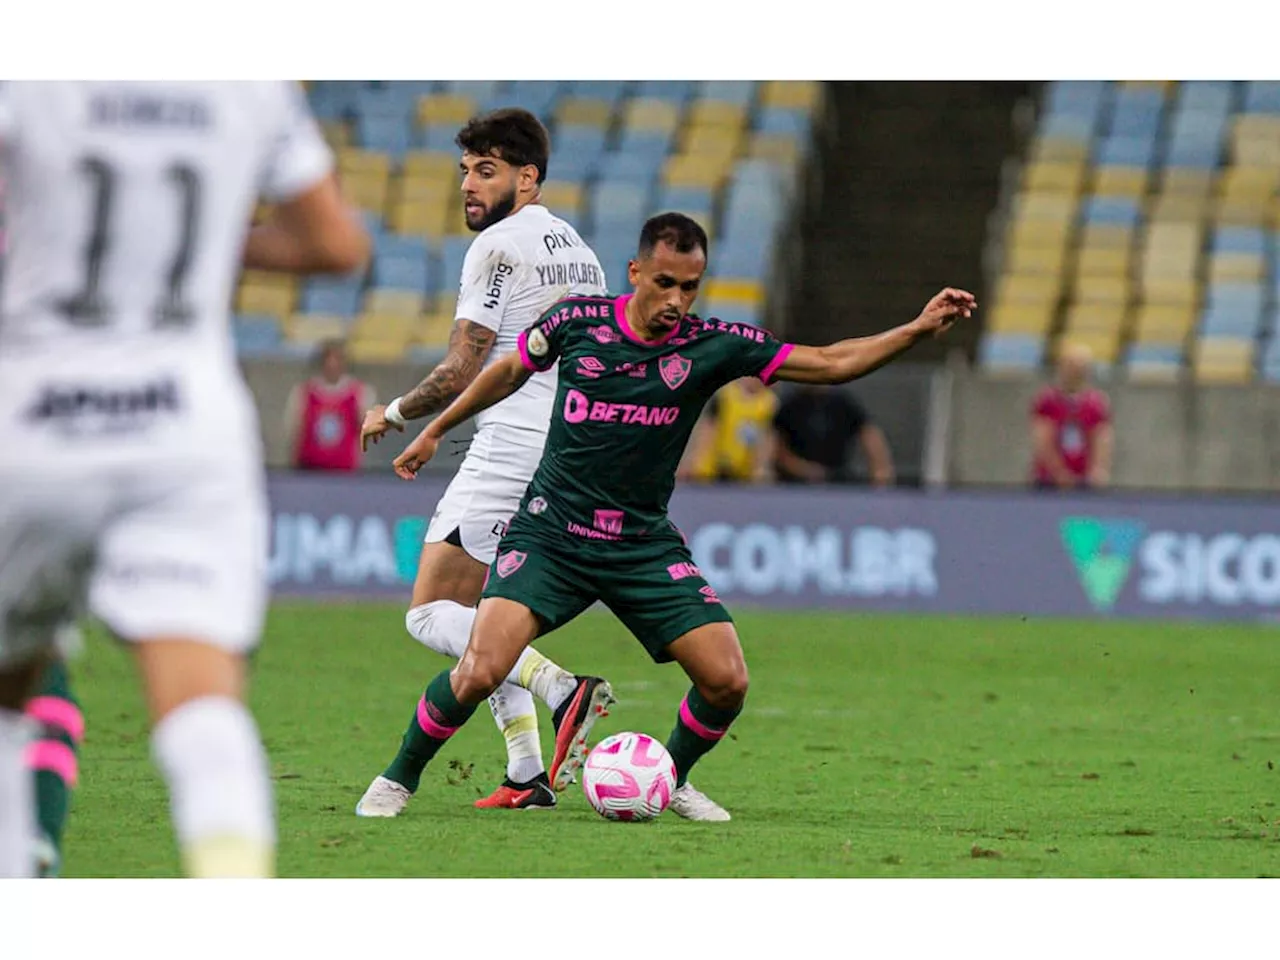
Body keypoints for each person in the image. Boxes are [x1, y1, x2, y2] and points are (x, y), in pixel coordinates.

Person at [388, 212, 974, 821]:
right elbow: (509, 369)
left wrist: (915, 329)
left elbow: (827, 362)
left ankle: (669, 777)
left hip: (641, 543)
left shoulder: (712, 345)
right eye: (664, 282)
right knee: (482, 667)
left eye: (690, 286)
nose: (675, 300)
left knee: (728, 680)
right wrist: (434, 429)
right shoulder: (576, 322)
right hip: (552, 533)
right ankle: (397, 780)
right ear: (635, 271)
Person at [0, 80, 369, 877]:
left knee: (10, 688)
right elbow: (337, 246)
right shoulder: (252, 82)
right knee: (202, 705)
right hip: (182, 429)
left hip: (34, 417)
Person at [353, 108, 618, 816]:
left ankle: (563, 690)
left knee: (430, 612)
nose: (469, 185)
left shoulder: (499, 246)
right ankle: (528, 771)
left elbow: (462, 363)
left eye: (488, 170)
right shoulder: (577, 248)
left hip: (512, 444)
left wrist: (400, 415)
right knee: (481, 613)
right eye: (466, 171)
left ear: (528, 178)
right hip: (568, 447)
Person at [772, 385, 895, 486]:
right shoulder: (789, 405)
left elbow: (869, 434)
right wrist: (803, 469)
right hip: (794, 483)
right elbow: (776, 445)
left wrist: (880, 468)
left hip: (838, 481)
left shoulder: (843, 403)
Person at [1030, 342, 1113, 490]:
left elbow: (1102, 438)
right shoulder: (1048, 400)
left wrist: (1098, 469)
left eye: (1081, 367)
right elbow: (1043, 440)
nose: (1076, 372)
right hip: (1049, 481)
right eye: (1071, 366)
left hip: (1085, 479)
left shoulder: (1096, 403)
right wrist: (1059, 473)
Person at [284, 338, 374, 471]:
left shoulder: (360, 393)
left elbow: (366, 434)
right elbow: (294, 431)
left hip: (345, 472)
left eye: (337, 359)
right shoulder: (303, 392)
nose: (332, 364)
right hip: (308, 469)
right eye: (328, 359)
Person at [679, 376, 777, 483]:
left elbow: (767, 438)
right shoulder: (724, 396)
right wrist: (696, 460)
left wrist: (761, 467)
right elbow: (707, 429)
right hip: (711, 470)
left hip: (744, 473)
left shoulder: (769, 403)